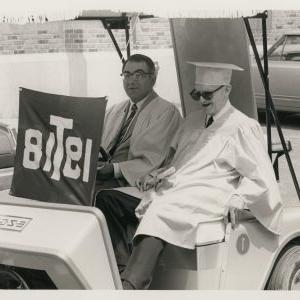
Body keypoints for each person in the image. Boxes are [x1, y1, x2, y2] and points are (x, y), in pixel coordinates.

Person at [95, 62, 283, 289]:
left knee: (159, 211)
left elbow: (260, 176)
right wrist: (157, 173)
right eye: (197, 94)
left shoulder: (243, 127)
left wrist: (240, 198)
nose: (202, 100)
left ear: (226, 90)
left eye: (207, 94)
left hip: (210, 192)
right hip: (175, 187)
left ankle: (132, 285)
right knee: (109, 199)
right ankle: (121, 271)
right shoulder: (192, 121)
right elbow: (177, 161)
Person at [95, 54, 182, 193]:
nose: (132, 81)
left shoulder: (166, 112)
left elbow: (154, 160)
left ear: (153, 78)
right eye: (127, 75)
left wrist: (114, 169)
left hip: (136, 184)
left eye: (139, 75)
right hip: (103, 177)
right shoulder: (115, 110)